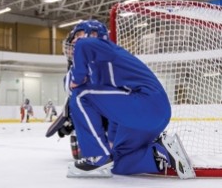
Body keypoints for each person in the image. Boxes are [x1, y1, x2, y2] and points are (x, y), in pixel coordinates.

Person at [63, 19, 195, 179]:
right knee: (117, 162)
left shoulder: (105, 49)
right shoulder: (101, 70)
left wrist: (76, 79)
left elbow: (83, 46)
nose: (76, 41)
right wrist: (111, 141)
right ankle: (161, 153)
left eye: (79, 34)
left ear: (94, 34)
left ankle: (97, 156)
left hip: (147, 104)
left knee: (80, 95)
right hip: (146, 116)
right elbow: (116, 110)